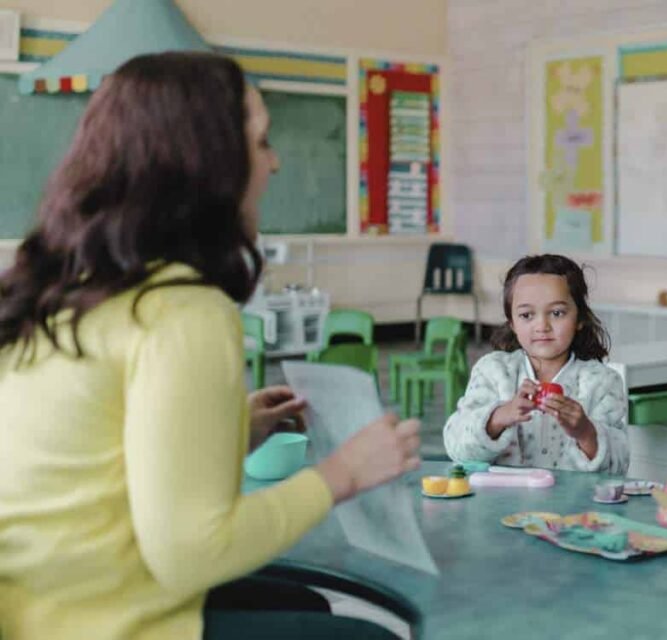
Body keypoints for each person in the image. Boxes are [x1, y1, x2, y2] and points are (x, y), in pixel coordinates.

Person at [0, 52, 420, 640]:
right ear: (207, 163)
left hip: (39, 608)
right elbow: (192, 554)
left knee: (307, 604)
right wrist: (342, 473)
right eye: (262, 141)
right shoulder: (182, 310)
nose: (274, 163)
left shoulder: (66, 288)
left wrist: (230, 429)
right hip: (102, 622)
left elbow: (95, 466)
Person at [444, 254, 628, 473]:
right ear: (511, 322)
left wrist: (586, 433)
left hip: (573, 506)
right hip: (502, 504)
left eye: (557, 313)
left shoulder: (603, 382)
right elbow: (456, 448)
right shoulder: (492, 371)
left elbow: (619, 466)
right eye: (526, 315)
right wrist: (498, 417)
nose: (542, 325)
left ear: (580, 319)